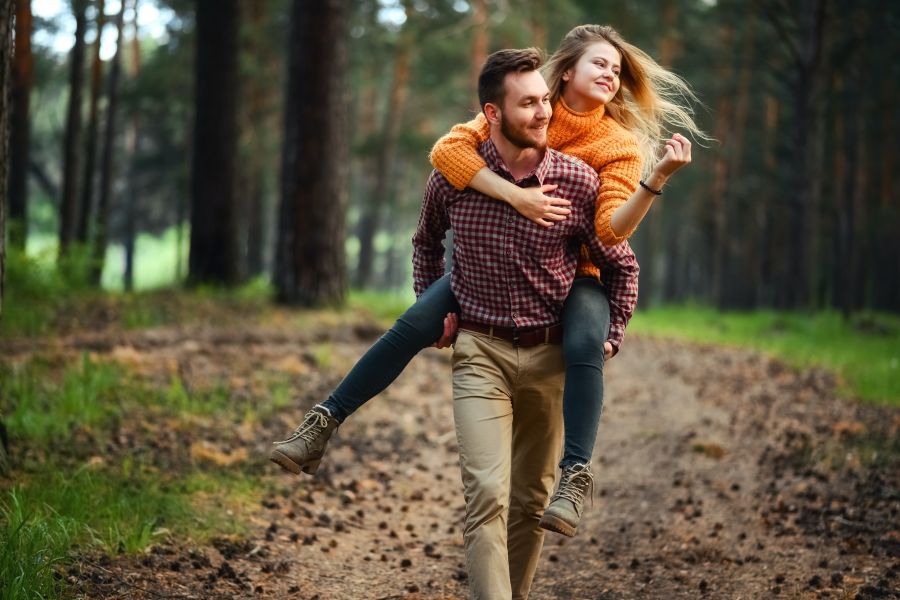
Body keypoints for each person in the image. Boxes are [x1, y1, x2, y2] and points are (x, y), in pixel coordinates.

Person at [270, 23, 703, 536]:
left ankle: (576, 474)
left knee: (587, 341)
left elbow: (611, 231)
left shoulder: (617, 145)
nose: (611, 74)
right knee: (411, 325)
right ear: (567, 71)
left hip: (575, 270)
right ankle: (322, 423)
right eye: (600, 64)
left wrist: (655, 182)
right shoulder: (528, 105)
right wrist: (514, 195)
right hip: (491, 265)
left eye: (617, 69)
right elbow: (446, 154)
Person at [411, 47, 637, 600]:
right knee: (487, 494)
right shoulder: (458, 171)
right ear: (494, 113)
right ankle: (325, 418)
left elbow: (618, 255)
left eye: (543, 103)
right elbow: (426, 240)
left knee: (531, 502)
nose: (542, 114)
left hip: (553, 342)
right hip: (481, 349)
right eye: (530, 103)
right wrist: (434, 302)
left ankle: (571, 483)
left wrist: (614, 330)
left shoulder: (586, 173)